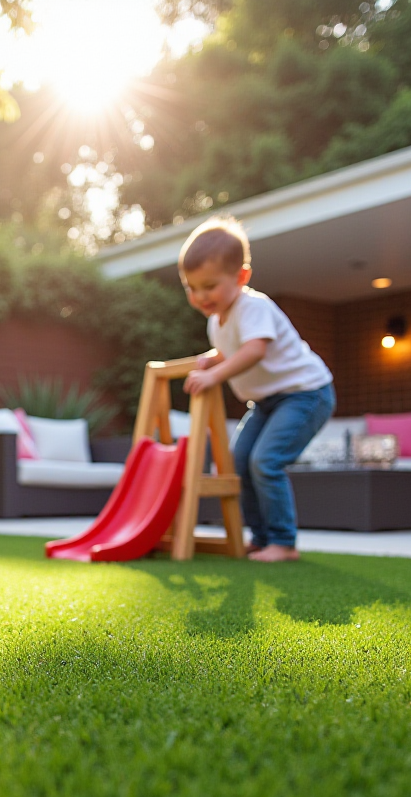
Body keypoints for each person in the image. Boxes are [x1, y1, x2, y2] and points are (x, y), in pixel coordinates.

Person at [179, 216, 335, 562]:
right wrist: (211, 358)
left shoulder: (253, 306)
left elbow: (254, 349)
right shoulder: (216, 320)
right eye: (192, 288)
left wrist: (215, 376)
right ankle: (261, 537)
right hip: (265, 402)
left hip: (305, 393)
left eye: (209, 286)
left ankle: (283, 542)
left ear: (241, 277)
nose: (201, 296)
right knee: (238, 461)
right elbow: (229, 348)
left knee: (266, 461)